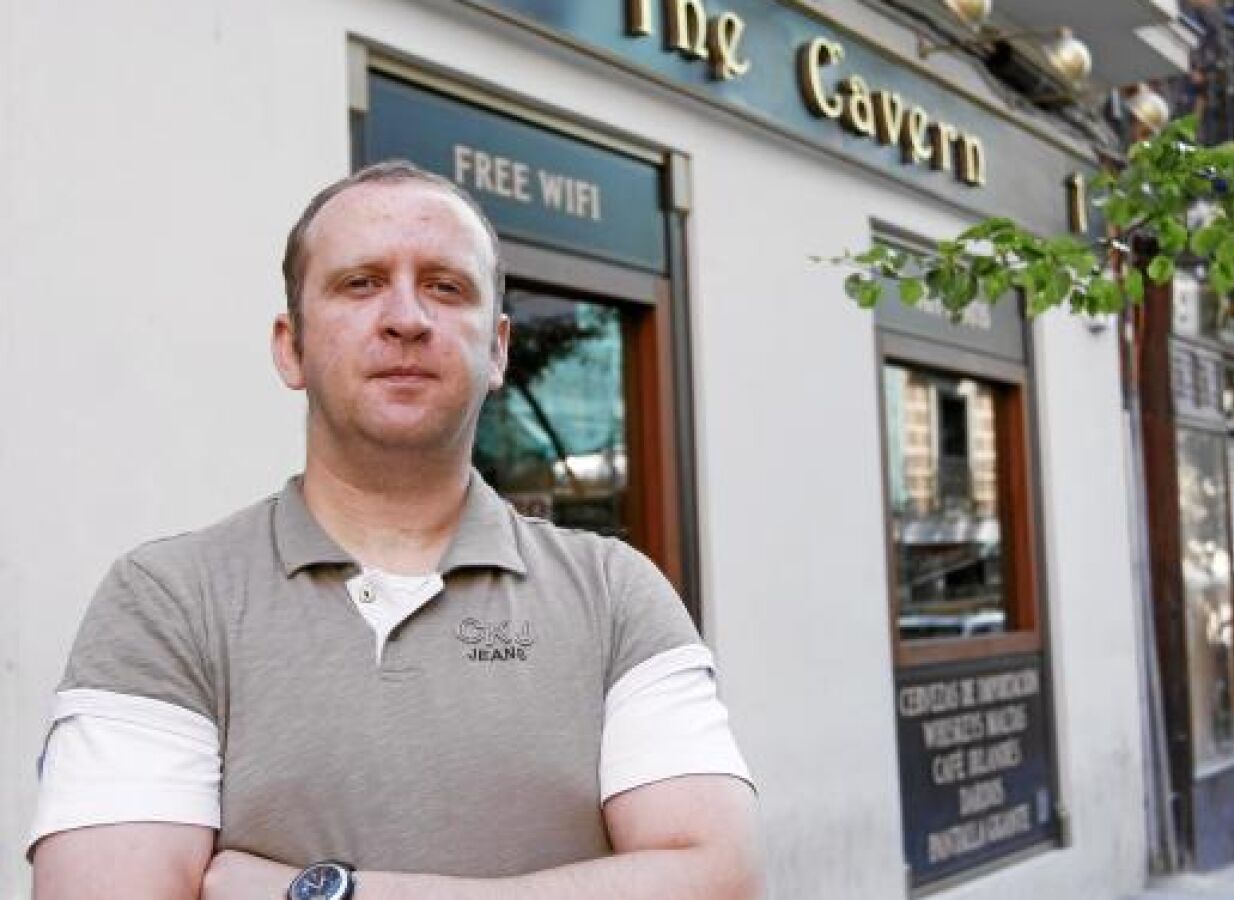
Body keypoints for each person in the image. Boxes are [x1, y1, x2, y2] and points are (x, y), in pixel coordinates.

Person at [29, 160, 763, 899]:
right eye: (361, 283)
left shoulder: (614, 594)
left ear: (497, 348)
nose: (407, 318)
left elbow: (721, 881)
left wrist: (324, 893)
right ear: (291, 347)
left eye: (446, 287)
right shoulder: (167, 600)